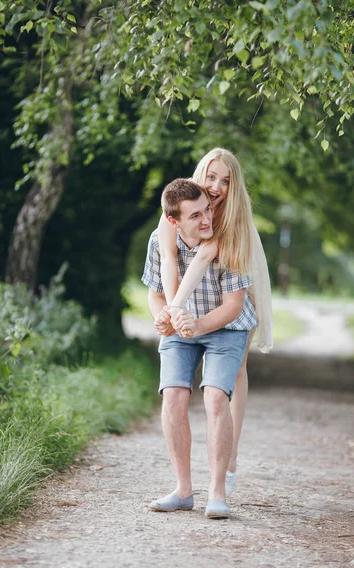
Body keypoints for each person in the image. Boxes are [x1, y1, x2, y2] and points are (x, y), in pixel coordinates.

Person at [156, 148, 273, 496]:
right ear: (200, 174)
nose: (217, 186)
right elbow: (167, 257)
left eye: (225, 180)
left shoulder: (231, 219)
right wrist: (174, 311)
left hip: (233, 292)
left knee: (234, 373)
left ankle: (231, 455)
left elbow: (205, 255)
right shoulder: (179, 206)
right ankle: (188, 486)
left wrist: (174, 310)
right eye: (211, 177)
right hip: (192, 299)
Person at [142, 178, 258, 519]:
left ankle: (218, 493)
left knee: (214, 396)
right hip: (181, 324)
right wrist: (162, 317)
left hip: (226, 327)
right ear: (175, 221)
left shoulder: (228, 239)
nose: (206, 219)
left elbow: (235, 305)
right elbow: (155, 292)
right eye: (195, 216)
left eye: (207, 209)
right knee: (174, 395)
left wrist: (199, 325)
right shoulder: (160, 241)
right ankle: (183, 490)